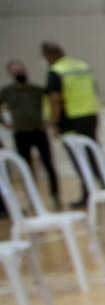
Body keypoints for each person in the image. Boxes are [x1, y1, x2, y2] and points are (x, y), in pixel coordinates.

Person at [42, 41, 101, 206]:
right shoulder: (82, 66)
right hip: (90, 115)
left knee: (79, 157)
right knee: (94, 152)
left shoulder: (56, 71)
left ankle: (88, 193)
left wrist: (54, 122)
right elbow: (95, 88)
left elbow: (55, 100)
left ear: (50, 55)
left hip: (71, 120)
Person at [0, 59, 60, 209]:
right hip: (21, 133)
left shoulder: (37, 90)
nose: (18, 72)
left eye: (20, 69)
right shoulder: (7, 92)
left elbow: (53, 100)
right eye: (14, 70)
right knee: (26, 166)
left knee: (48, 163)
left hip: (38, 131)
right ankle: (32, 196)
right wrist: (5, 124)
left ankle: (55, 194)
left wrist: (51, 120)